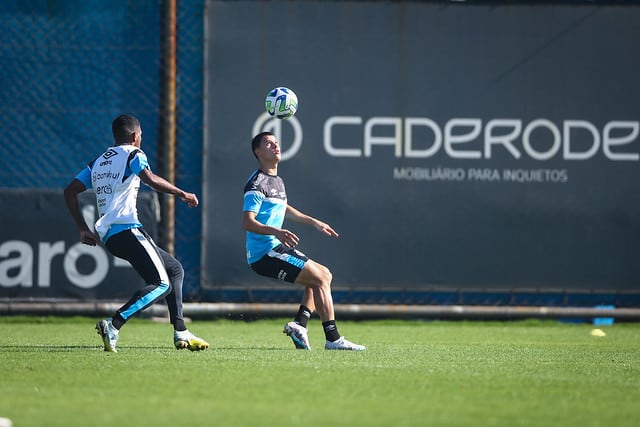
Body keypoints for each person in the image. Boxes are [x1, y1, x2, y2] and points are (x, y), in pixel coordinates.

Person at [63, 114, 209, 353]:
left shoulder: (98, 161)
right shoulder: (134, 154)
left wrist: (82, 228)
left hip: (110, 236)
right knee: (162, 284)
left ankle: (180, 330)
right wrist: (182, 193)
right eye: (140, 135)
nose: (141, 139)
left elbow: (70, 191)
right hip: (127, 229)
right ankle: (113, 324)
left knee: (174, 269)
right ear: (134, 136)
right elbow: (148, 178)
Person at [241, 131, 365, 351]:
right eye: (269, 144)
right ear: (257, 152)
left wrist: (313, 221)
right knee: (320, 278)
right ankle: (333, 339)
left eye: (277, 143)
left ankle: (300, 324)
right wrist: (276, 232)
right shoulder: (256, 184)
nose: (275, 146)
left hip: (274, 249)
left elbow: (283, 208)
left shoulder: (277, 181)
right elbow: (247, 222)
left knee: (322, 275)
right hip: (265, 254)